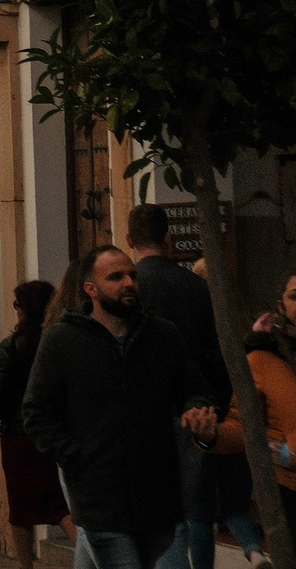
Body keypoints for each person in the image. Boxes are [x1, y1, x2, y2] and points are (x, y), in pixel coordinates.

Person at [22, 245, 226, 569]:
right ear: (91, 289)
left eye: (132, 274)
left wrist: (198, 409)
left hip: (158, 499)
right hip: (100, 502)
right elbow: (36, 411)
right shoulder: (62, 340)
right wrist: (75, 457)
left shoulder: (162, 334)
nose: (128, 282)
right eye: (115, 277)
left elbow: (196, 389)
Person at [125, 206, 233, 569]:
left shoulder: (127, 290)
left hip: (145, 415)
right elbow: (216, 353)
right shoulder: (197, 287)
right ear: (168, 238)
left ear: (129, 242)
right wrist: (215, 407)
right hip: (195, 410)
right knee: (198, 510)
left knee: (162, 512)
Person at [206, 267, 296, 560]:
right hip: (289, 492)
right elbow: (243, 425)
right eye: (295, 296)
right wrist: (210, 435)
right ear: (281, 306)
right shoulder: (263, 359)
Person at [0, 279, 77, 569]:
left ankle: (26, 566)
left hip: (17, 436)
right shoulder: (62, 341)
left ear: (25, 309)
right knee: (60, 502)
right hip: (55, 432)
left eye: (17, 305)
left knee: (21, 506)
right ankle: (90, 553)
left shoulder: (12, 346)